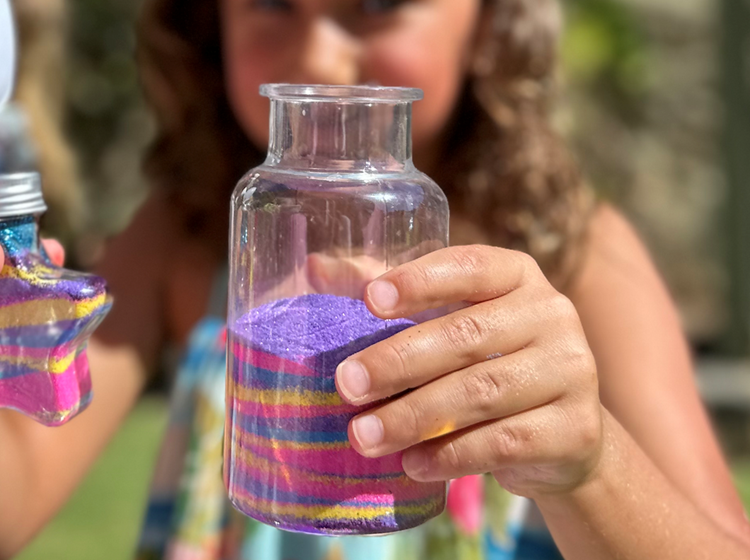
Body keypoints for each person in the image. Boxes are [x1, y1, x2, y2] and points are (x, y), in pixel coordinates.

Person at [2, 0, 750, 558]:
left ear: (490, 21)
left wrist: (588, 465)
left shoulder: (577, 257)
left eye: (377, 3)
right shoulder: (182, 231)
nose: (319, 61)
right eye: (270, 2)